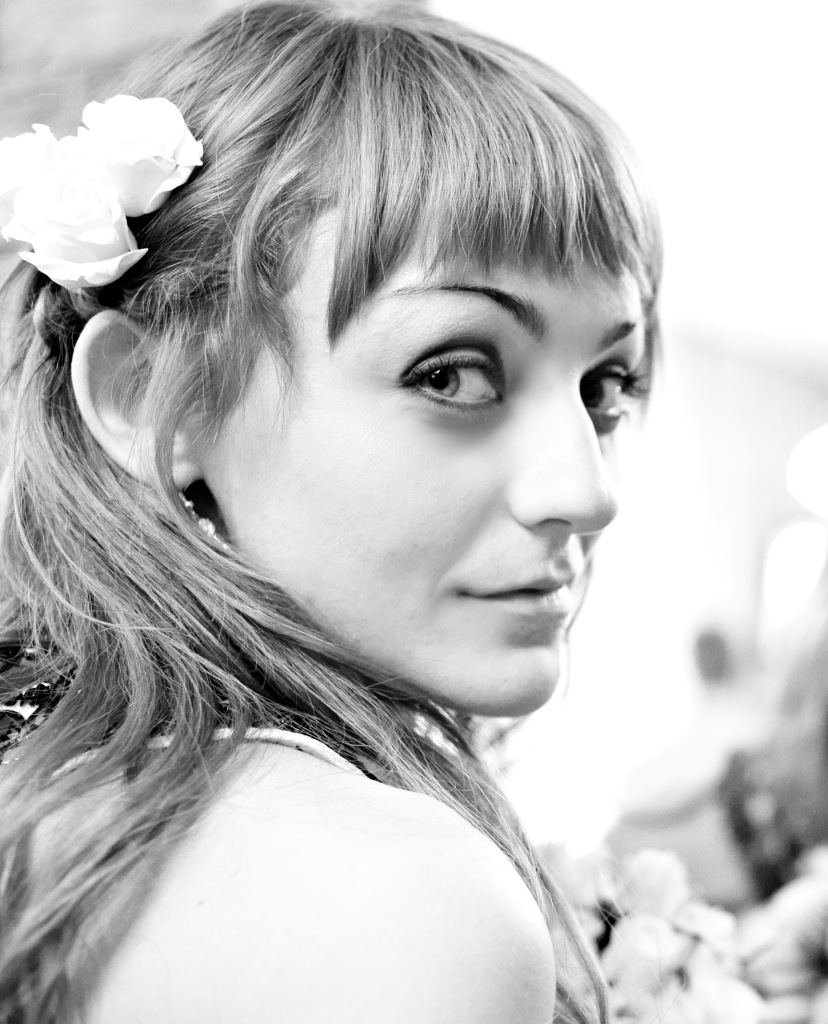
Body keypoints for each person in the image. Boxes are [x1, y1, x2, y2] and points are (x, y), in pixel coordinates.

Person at [0, 3, 662, 1022]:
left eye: (606, 386)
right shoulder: (396, 906)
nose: (588, 494)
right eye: (453, 373)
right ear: (152, 396)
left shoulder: (53, 772)